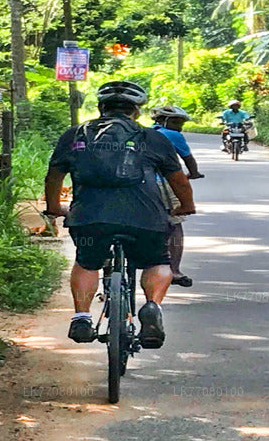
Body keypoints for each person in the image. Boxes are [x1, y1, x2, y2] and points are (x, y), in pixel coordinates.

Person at [43, 81, 195, 349]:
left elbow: (54, 176)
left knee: (87, 261)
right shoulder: (153, 138)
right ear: (137, 111)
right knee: (157, 261)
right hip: (145, 219)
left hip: (89, 217)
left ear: (101, 107)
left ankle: (81, 317)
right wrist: (186, 206)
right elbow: (180, 181)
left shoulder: (75, 135)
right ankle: (151, 307)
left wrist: (55, 208)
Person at [150, 105, 202, 289]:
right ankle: (175, 270)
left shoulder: (145, 133)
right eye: (175, 122)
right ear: (163, 121)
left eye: (181, 122)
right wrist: (194, 173)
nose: (179, 126)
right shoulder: (173, 136)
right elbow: (187, 158)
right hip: (164, 183)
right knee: (175, 223)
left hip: (142, 184)